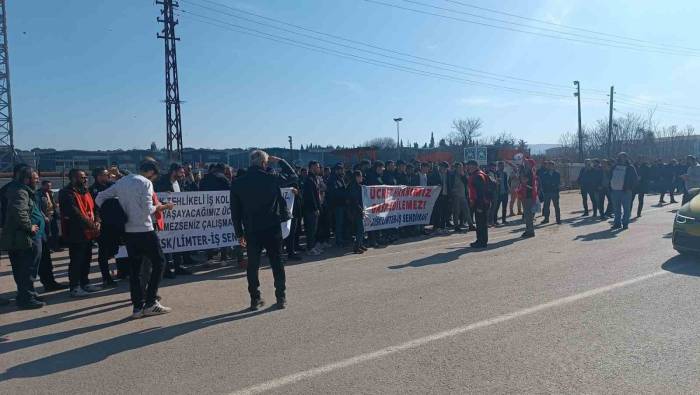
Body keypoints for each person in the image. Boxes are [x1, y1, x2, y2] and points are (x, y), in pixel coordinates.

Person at [96, 160, 175, 318]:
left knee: (134, 269)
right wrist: (163, 206)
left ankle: (137, 307)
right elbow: (148, 209)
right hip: (145, 229)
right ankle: (151, 302)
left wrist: (114, 214)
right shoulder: (145, 183)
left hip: (128, 231)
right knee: (159, 263)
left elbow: (100, 198)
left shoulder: (122, 182)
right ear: (151, 172)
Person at [230, 150, 289, 310]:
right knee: (277, 262)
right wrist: (280, 161)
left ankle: (255, 299)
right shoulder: (270, 178)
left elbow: (234, 211)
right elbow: (293, 177)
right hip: (272, 227)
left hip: (251, 229)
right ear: (264, 163)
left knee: (253, 265)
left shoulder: (238, 183)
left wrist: (239, 233)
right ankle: (281, 297)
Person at [0, 166, 45, 309]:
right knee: (27, 268)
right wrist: (29, 226)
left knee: (24, 268)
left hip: (23, 237)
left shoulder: (21, 190)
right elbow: (19, 211)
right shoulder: (20, 191)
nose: (37, 181)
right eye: (35, 178)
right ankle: (26, 298)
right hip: (25, 238)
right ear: (26, 179)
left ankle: (27, 293)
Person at [59, 169, 103, 297]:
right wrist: (91, 224)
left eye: (85, 177)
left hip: (89, 232)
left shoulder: (86, 191)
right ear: (73, 179)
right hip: (76, 232)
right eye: (82, 178)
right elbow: (74, 213)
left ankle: (85, 282)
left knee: (87, 258)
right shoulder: (66, 193)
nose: (85, 180)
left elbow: (95, 208)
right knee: (76, 260)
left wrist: (98, 221)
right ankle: (75, 286)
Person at [155, 163, 193, 278]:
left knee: (178, 242)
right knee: (166, 244)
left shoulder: (179, 182)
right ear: (174, 171)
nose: (183, 174)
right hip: (166, 218)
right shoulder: (162, 182)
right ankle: (166, 269)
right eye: (181, 172)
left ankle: (178, 266)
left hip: (177, 217)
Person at [88, 167, 120, 287]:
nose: (107, 177)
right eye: (104, 175)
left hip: (115, 223)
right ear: (97, 176)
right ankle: (106, 278)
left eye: (107, 174)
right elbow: (93, 207)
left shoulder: (112, 185)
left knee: (114, 250)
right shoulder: (92, 190)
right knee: (103, 252)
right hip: (103, 224)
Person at [36, 180, 67, 291]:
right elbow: (39, 208)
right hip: (45, 218)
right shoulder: (38, 194)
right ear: (43, 185)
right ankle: (49, 247)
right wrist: (44, 216)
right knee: (46, 234)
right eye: (47, 186)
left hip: (52, 215)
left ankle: (55, 246)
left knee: (55, 233)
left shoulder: (50, 193)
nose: (49, 187)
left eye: (50, 185)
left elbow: (53, 203)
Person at [609, 152, 639, 230]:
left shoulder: (630, 167)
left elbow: (635, 179)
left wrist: (629, 188)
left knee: (626, 209)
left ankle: (625, 223)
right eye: (621, 157)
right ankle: (617, 223)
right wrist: (610, 187)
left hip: (625, 191)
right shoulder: (614, 167)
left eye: (624, 157)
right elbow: (609, 176)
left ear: (626, 158)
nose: (622, 158)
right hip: (615, 191)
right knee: (616, 209)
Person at [466, 160, 490, 248]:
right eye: (468, 166)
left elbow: (480, 192)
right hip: (482, 202)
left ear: (475, 166)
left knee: (481, 223)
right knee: (481, 223)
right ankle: (481, 240)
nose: (469, 168)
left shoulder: (478, 176)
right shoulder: (480, 174)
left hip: (480, 202)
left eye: (470, 166)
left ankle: (481, 242)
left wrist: (479, 206)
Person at [303, 160, 323, 255]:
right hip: (310, 210)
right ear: (312, 167)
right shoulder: (309, 180)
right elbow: (310, 196)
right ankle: (310, 248)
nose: (318, 168)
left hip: (315, 208)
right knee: (311, 229)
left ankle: (313, 246)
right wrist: (315, 208)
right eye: (317, 167)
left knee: (314, 230)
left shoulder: (315, 178)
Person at [327, 163, 347, 247]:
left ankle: (341, 239)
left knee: (341, 223)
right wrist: (345, 194)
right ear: (336, 171)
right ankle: (338, 240)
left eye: (343, 169)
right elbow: (334, 192)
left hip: (341, 204)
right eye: (341, 170)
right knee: (338, 223)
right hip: (337, 205)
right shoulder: (332, 179)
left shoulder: (340, 178)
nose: (342, 171)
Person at [447, 162, 471, 233]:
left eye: (461, 167)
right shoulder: (452, 175)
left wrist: (463, 175)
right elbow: (449, 185)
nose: (460, 168)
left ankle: (471, 225)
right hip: (455, 196)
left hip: (463, 195)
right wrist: (451, 194)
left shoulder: (464, 174)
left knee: (466, 210)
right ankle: (456, 226)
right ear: (455, 168)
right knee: (456, 212)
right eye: (458, 167)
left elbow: (467, 182)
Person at [347, 170, 367, 254]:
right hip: (355, 210)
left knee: (361, 229)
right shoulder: (352, 186)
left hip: (357, 210)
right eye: (360, 176)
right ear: (356, 177)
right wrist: (360, 210)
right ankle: (356, 247)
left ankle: (360, 244)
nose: (362, 178)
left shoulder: (357, 185)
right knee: (360, 229)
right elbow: (355, 201)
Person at [518, 159, 539, 238]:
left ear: (530, 164)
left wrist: (521, 172)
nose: (525, 163)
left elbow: (523, 180)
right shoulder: (528, 171)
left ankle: (530, 231)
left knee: (528, 215)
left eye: (526, 163)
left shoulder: (529, 172)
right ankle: (528, 230)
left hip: (528, 195)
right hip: (526, 195)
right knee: (527, 215)